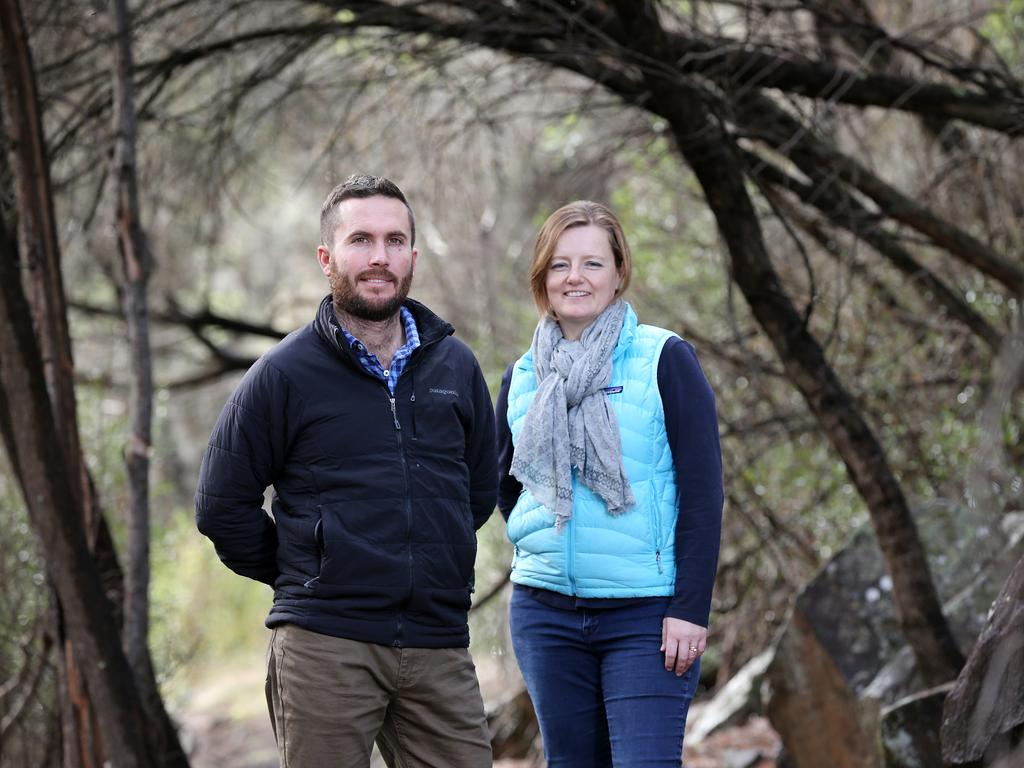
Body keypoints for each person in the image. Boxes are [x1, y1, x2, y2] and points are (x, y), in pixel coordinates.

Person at [196, 175, 498, 768]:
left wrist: (432, 556)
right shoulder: (283, 374)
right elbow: (221, 506)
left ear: (413, 254)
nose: (379, 257)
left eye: (394, 240)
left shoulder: (456, 366)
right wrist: (310, 569)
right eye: (361, 240)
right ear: (327, 257)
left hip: (437, 641)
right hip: (325, 646)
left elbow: (477, 489)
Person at [496, 200, 724, 767]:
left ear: (619, 273)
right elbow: (506, 485)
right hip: (546, 615)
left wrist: (690, 608)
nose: (576, 277)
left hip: (646, 615)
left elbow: (703, 491)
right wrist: (544, 544)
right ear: (542, 279)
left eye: (593, 263)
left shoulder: (664, 360)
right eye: (560, 265)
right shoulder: (521, 377)